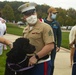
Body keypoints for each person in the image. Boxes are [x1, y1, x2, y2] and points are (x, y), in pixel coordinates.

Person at [18, 2, 54, 75]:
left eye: (33, 13)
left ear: (36, 13)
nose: (31, 16)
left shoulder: (45, 27)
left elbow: (50, 46)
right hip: (27, 64)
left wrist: (36, 57)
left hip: (41, 63)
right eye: (28, 14)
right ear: (24, 17)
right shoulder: (25, 29)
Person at [44, 7, 62, 75]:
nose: (55, 15)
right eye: (54, 13)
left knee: (51, 64)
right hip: (44, 46)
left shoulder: (56, 23)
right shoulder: (43, 22)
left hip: (53, 47)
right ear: (49, 13)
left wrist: (59, 45)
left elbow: (59, 35)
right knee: (44, 63)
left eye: (56, 13)